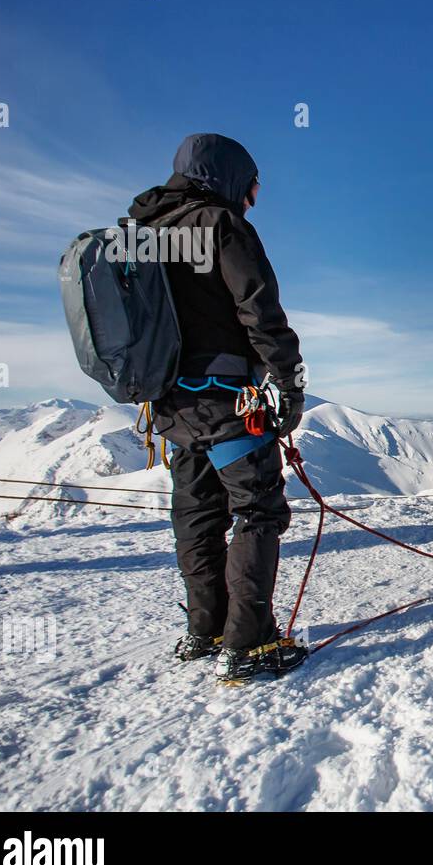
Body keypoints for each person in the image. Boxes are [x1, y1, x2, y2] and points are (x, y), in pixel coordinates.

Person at [128, 133, 308, 685]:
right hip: (227, 399)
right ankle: (249, 642)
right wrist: (290, 385)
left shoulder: (144, 235)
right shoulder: (221, 226)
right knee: (258, 509)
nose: (252, 199)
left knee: (198, 513)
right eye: (251, 187)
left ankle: (206, 628)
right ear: (228, 177)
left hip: (171, 408)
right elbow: (260, 312)